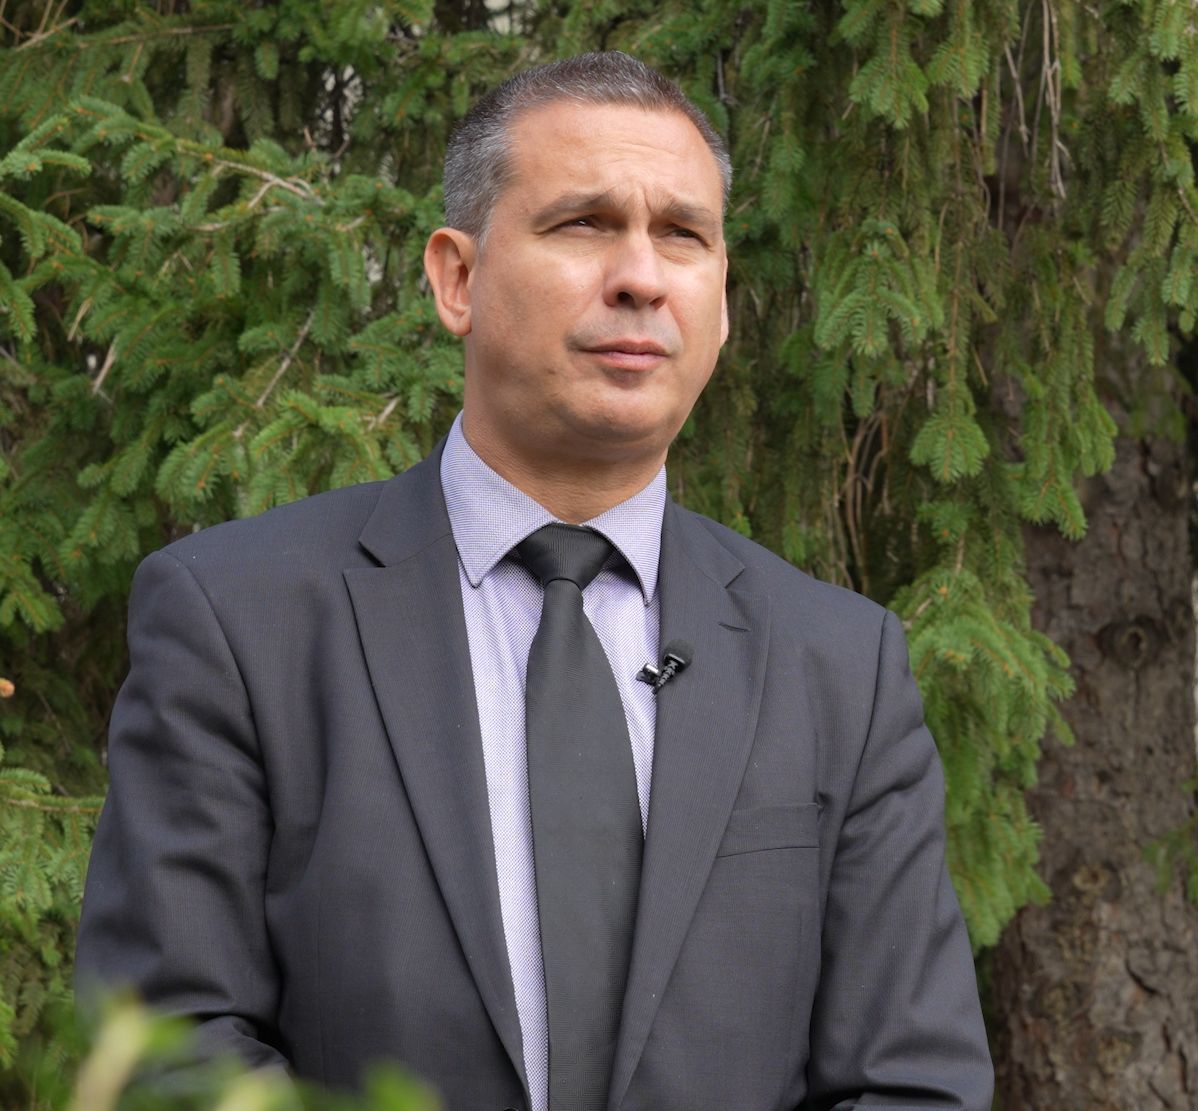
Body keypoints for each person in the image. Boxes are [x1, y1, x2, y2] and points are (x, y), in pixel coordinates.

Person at [76, 51, 994, 1111]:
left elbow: (910, 1078)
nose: (642, 277)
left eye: (683, 235)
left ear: (722, 302)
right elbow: (170, 1042)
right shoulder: (241, 621)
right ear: (456, 279)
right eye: (585, 224)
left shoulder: (839, 664)